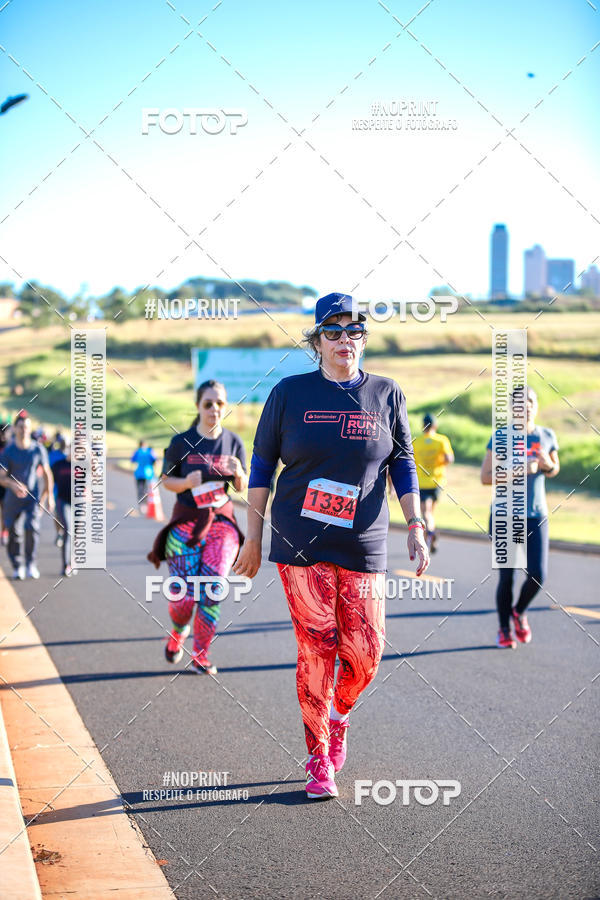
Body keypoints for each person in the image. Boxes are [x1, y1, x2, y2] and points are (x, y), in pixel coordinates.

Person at [233, 292, 429, 800]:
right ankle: (318, 755)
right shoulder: (289, 394)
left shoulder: (386, 393)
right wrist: (252, 537)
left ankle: (338, 716)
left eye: (355, 330)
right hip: (300, 538)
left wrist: (415, 523)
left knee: (366, 651)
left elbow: (403, 463)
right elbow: (260, 467)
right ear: (317, 341)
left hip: (363, 540)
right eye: (334, 331)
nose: (346, 340)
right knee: (316, 646)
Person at [148, 380, 247, 674]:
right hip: (187, 521)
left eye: (220, 403)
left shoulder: (234, 442)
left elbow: (241, 486)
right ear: (198, 406)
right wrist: (186, 483)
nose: (214, 409)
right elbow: (165, 480)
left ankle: (201, 654)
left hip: (221, 523)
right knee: (183, 596)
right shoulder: (182, 442)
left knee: (213, 586)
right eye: (208, 403)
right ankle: (178, 631)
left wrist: (240, 472)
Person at [480, 386, 560, 649]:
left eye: (530, 401)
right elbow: (486, 477)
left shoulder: (546, 436)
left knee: (538, 574)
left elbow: (553, 468)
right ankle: (504, 629)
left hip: (536, 514)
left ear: (535, 406)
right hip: (505, 516)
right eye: (519, 403)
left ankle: (519, 611)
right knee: (508, 577)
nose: (525, 406)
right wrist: (520, 469)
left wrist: (546, 465)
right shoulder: (500, 437)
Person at [0, 412, 54, 579]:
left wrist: (48, 497)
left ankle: (30, 563)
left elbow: (47, 474)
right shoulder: (8, 451)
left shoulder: (37, 449)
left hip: (32, 497)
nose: (24, 430)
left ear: (30, 429)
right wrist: (13, 484)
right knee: (14, 531)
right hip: (13, 498)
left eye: (27, 427)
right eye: (21, 427)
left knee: (32, 528)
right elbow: (1, 477)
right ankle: (17, 565)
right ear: (15, 428)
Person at [412, 413, 454, 553]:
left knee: (426, 513)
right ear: (435, 425)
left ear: (423, 426)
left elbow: (412, 461)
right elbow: (449, 458)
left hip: (422, 482)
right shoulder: (442, 440)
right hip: (437, 482)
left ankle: (430, 534)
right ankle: (430, 537)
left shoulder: (417, 442)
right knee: (430, 513)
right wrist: (438, 463)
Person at [51, 441, 73, 576]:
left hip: (79, 503)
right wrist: (49, 498)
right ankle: (66, 565)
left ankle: (73, 562)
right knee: (68, 530)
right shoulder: (59, 465)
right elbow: (49, 480)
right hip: (62, 500)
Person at [130, 440, 157, 512]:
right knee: (147, 490)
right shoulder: (150, 451)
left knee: (140, 490)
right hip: (148, 474)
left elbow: (132, 460)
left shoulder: (137, 451)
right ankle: (146, 504)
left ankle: (142, 505)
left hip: (139, 473)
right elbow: (154, 460)